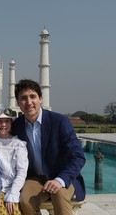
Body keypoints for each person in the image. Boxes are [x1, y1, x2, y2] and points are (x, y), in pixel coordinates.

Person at [11, 79, 86, 215]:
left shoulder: (59, 121)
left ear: (40, 98)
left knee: (58, 193)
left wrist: (60, 179)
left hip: (62, 175)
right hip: (36, 178)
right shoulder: (17, 126)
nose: (29, 102)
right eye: (23, 98)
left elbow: (78, 156)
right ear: (18, 103)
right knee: (25, 202)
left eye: (32, 97)